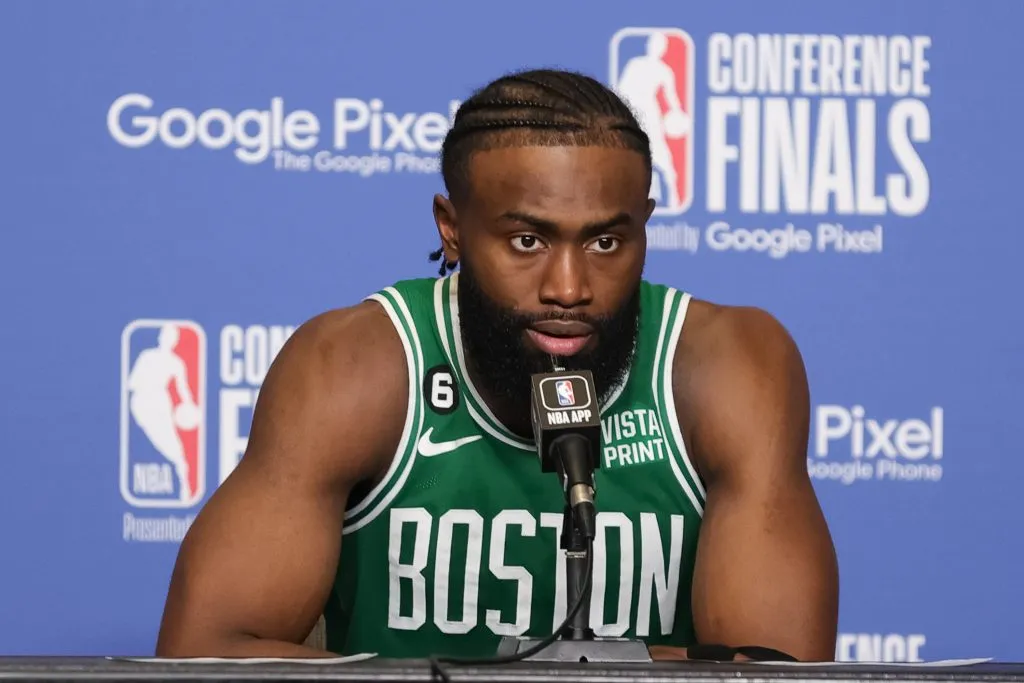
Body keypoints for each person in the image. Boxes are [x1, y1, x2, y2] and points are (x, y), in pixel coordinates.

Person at [155, 69, 839, 662]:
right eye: (526, 239)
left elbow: (773, 672)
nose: (569, 286)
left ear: (645, 223)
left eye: (606, 240)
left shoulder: (727, 365)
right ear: (451, 226)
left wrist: (577, 664)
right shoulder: (353, 367)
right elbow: (205, 653)